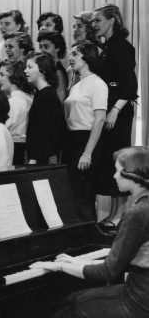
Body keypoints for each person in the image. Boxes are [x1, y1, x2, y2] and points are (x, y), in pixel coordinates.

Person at [30, 147, 149, 318]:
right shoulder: (143, 204)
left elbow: (108, 271)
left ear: (133, 175)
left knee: (73, 305)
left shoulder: (137, 212)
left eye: (118, 170)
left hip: (140, 301)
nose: (114, 175)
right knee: (80, 303)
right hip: (143, 293)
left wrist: (61, 265)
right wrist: (76, 262)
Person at [92, 4, 139, 232]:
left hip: (118, 112)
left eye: (98, 20)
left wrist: (115, 109)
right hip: (112, 110)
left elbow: (130, 85)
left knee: (118, 161)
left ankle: (120, 214)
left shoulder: (120, 47)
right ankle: (114, 212)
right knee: (111, 162)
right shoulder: (109, 46)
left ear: (112, 21)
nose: (94, 25)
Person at [63, 43, 108, 221]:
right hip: (72, 140)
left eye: (75, 54)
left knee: (84, 192)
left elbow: (100, 119)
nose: (70, 58)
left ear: (87, 57)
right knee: (73, 191)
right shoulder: (76, 85)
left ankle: (89, 235)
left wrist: (87, 153)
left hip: (87, 140)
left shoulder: (98, 84)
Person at [25, 53, 66, 165]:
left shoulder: (46, 96)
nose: (25, 71)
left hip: (42, 159)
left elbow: (44, 134)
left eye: (30, 67)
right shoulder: (42, 94)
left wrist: (34, 158)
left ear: (42, 70)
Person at [0, 61, 32, 165]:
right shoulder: (28, 98)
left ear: (14, 77)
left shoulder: (14, 102)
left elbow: (4, 127)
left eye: (2, 75)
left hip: (13, 148)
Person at [36, 31, 69, 102]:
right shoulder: (49, 69)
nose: (42, 50)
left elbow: (61, 98)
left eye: (46, 46)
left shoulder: (58, 71)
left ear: (57, 48)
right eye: (40, 47)